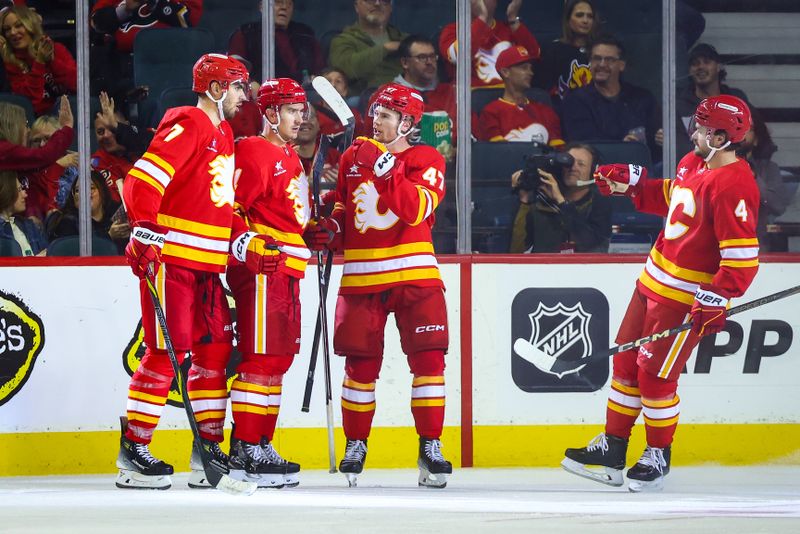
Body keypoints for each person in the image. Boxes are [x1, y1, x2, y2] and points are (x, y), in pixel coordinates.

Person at [562, 95, 760, 492]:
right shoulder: (694, 163)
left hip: (682, 298)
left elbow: (741, 258)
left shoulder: (736, 185)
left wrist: (717, 296)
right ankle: (613, 449)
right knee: (626, 367)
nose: (694, 133)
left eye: (702, 128)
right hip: (651, 282)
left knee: (655, 378)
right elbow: (675, 199)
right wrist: (632, 185)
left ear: (722, 136)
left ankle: (657, 454)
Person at [115, 53, 268, 491]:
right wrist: (145, 231)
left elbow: (218, 203)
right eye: (239, 87)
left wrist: (243, 240)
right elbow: (141, 181)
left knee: (215, 353)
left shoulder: (223, 132)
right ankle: (134, 448)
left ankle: (206, 449)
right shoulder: (190, 121)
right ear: (218, 89)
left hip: (206, 267)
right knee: (165, 353)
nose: (245, 95)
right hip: (174, 261)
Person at [327, 83, 452, 488]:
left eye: (386, 115)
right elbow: (346, 217)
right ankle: (355, 444)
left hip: (416, 277)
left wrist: (381, 167)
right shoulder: (351, 157)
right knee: (360, 367)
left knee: (430, 365)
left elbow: (415, 209)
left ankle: (430, 445)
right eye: (376, 113)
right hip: (363, 279)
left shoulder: (427, 157)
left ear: (408, 123)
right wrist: (327, 229)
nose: (376, 121)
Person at [225, 77, 333, 488]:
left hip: (287, 266)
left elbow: (287, 219)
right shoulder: (252, 150)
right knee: (261, 357)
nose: (300, 117)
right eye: (291, 110)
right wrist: (249, 243)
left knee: (279, 358)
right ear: (270, 114)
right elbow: (231, 210)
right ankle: (247, 447)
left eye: (302, 110)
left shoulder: (289, 156)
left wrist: (311, 233)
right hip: (261, 268)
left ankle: (261, 442)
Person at [561, 35, 658, 155]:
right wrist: (621, 145)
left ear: (621, 65)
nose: (602, 64)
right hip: (596, 170)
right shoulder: (576, 100)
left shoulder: (642, 98)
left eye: (609, 60)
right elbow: (583, 143)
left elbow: (656, 139)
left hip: (641, 168)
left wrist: (657, 140)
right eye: (596, 58)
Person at [509, 142, 610, 253]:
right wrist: (524, 201)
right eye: (568, 162)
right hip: (544, 268)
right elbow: (515, 249)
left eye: (581, 164)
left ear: (593, 172)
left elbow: (590, 245)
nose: (573, 168)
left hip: (583, 269)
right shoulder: (541, 201)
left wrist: (561, 202)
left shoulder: (599, 204)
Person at [670, 43, 750, 158]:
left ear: (718, 67)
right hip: (692, 170)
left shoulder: (736, 98)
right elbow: (677, 147)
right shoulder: (678, 105)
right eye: (695, 63)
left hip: (731, 166)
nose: (700, 67)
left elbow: (751, 136)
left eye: (706, 62)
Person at [439, 0, 539, 88]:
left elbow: (533, 55)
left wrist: (512, 18)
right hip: (472, 99)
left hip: (508, 96)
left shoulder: (508, 29)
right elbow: (460, 57)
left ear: (496, 2)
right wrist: (482, 18)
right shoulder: (452, 30)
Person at [478, 45, 563, 146]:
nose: (530, 73)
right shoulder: (491, 112)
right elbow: (497, 153)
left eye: (530, 68)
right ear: (505, 72)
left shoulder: (546, 111)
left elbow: (558, 150)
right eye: (524, 68)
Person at [0, 5, 76, 115]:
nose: (12, 32)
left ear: (31, 26)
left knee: (68, 104)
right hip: (35, 121)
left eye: (18, 25)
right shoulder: (10, 62)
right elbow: (27, 104)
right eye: (7, 29)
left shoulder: (56, 49)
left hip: (65, 115)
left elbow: (76, 84)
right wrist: (39, 63)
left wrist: (51, 61)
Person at [228, 0, 324, 84]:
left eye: (289, 4)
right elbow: (234, 72)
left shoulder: (305, 34)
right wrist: (251, 84)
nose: (284, 7)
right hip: (261, 97)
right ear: (262, 6)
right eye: (278, 2)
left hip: (302, 97)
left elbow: (320, 71)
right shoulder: (246, 33)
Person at [328, 0, 408, 96]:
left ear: (390, 7)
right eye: (370, 0)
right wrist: (385, 48)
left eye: (384, 1)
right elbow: (346, 70)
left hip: (406, 96)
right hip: (364, 101)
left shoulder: (405, 40)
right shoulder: (343, 41)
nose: (377, 4)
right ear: (356, 6)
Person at [736, 108, 789, 251]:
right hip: (719, 246)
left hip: (758, 246)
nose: (741, 132)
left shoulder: (769, 169)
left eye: (748, 129)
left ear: (757, 139)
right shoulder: (713, 167)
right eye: (737, 127)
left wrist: (753, 176)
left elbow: (778, 206)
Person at [91, 91, 154, 205]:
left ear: (126, 125)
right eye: (100, 131)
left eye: (111, 128)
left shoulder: (145, 139)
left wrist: (118, 128)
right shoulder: (97, 163)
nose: (106, 135)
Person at [533, 0, 598, 103]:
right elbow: (542, 88)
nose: (585, 20)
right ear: (568, 19)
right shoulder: (554, 49)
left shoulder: (599, 50)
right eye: (579, 15)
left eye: (590, 16)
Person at [45, 170, 128, 251]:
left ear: (102, 192)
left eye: (91, 188)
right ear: (73, 196)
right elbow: (73, 251)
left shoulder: (116, 214)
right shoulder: (66, 222)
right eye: (78, 190)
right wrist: (108, 236)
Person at [23, 114, 78, 222]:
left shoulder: (77, 165)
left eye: (49, 139)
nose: (42, 145)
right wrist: (56, 167)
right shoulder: (26, 175)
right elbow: (51, 207)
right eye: (36, 140)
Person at [0, 96, 73, 171]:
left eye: (49, 139)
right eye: (25, 124)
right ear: (10, 128)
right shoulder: (4, 150)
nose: (28, 130)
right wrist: (67, 126)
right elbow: (43, 156)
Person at [0, 171, 46, 256]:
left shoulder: (29, 225)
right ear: (6, 192)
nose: (25, 195)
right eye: (19, 190)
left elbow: (47, 254)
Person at [295, 104, 340, 183]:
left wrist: (341, 182)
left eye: (311, 116)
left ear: (318, 124)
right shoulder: (281, 159)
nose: (305, 121)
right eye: (300, 116)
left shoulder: (334, 157)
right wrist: (308, 183)